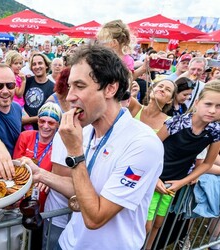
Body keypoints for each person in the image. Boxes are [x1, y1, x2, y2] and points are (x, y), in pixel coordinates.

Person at [30, 44, 164, 249]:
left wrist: (75, 153)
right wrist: (38, 174)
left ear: (110, 88)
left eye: (80, 86)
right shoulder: (84, 131)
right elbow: (82, 188)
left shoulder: (143, 144)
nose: (70, 96)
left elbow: (96, 218)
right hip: (68, 242)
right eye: (70, 86)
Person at [145, 81, 220, 250]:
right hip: (152, 179)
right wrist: (153, 177)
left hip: (174, 184)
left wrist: (183, 181)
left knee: (158, 223)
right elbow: (151, 149)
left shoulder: (215, 131)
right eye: (208, 104)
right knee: (146, 225)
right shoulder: (177, 123)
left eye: (219, 106)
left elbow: (207, 163)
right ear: (197, 103)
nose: (213, 110)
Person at [23, 53, 55, 129]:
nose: (37, 66)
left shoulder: (53, 87)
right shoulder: (26, 81)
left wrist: (27, 120)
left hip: (41, 130)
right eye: (34, 64)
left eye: (40, 63)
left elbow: (50, 113)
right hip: (21, 130)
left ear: (46, 65)